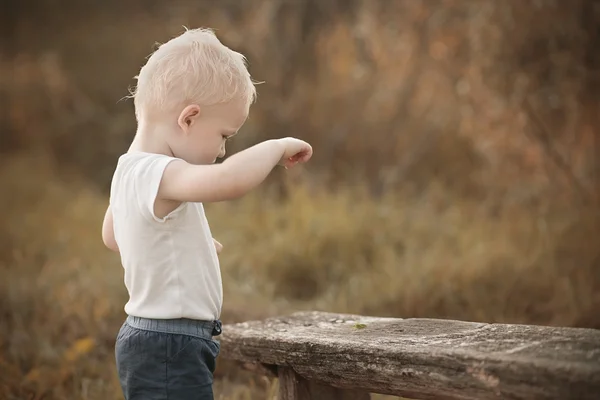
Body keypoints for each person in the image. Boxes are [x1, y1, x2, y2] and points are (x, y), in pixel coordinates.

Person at [101, 27, 313, 400]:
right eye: (224, 136)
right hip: (169, 341)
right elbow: (227, 181)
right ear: (189, 118)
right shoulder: (159, 171)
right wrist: (277, 146)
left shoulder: (127, 170)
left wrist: (187, 246)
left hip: (159, 339)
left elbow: (114, 235)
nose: (221, 151)